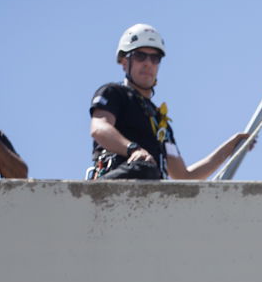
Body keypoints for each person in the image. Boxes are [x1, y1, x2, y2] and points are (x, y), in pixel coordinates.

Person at [89, 23, 248, 180]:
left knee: (150, 172)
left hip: (150, 194)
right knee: (143, 168)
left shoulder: (159, 121)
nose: (148, 63)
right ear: (124, 62)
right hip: (115, 187)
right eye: (140, 56)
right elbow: (99, 128)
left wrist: (230, 149)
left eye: (154, 58)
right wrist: (133, 150)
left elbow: (184, 176)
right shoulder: (114, 93)